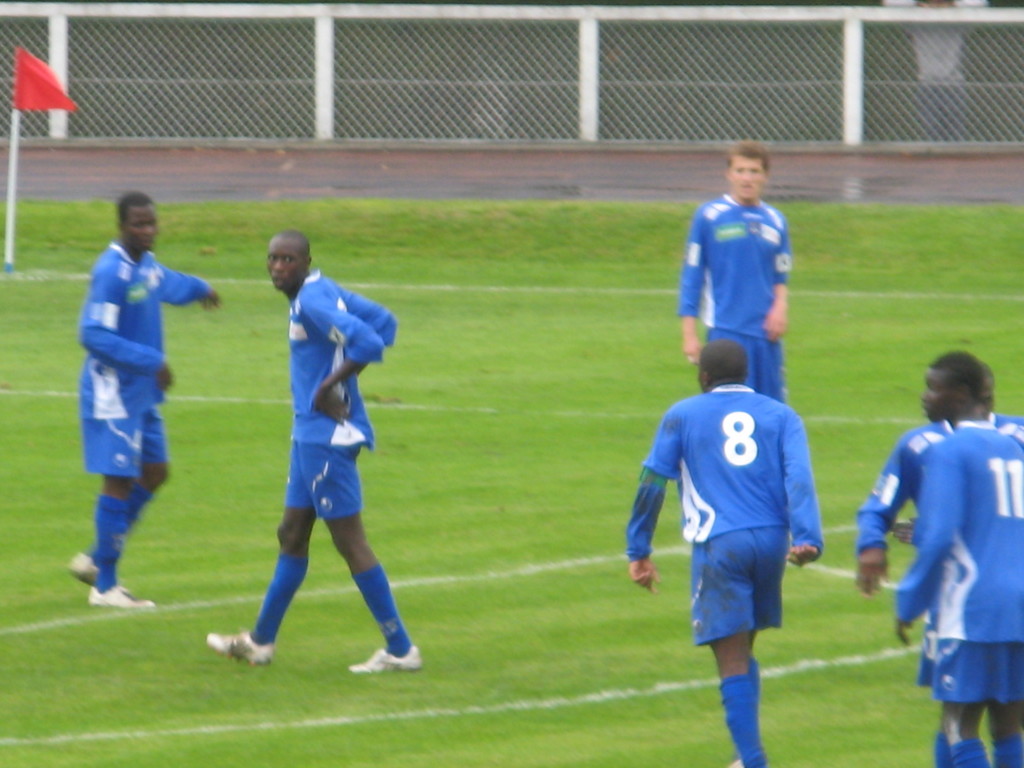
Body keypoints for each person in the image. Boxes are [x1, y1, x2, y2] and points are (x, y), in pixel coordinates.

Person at [206, 230, 420, 673]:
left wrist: (328, 386)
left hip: (326, 437)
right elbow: (386, 322)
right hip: (309, 434)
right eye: (272, 259)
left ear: (306, 261)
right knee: (292, 534)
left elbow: (373, 341)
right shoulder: (323, 289)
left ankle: (401, 649)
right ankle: (260, 642)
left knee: (350, 543)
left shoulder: (314, 301)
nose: (278, 268)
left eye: (287, 259)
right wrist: (339, 374)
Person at [625, 339, 823, 768]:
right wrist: (807, 537)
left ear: (703, 378)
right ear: (747, 374)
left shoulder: (683, 414)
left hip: (721, 542)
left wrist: (638, 548)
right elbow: (800, 477)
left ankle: (753, 760)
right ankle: (742, 757)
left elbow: (652, 482)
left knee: (730, 656)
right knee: (744, 646)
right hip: (771, 543)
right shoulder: (782, 415)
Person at [857, 358, 1024, 768]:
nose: (925, 396)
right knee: (1008, 722)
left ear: (961, 395)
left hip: (970, 603)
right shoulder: (1011, 446)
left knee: (957, 724)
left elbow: (938, 539)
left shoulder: (947, 450)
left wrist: (909, 603)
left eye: (933, 389)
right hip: (1018, 602)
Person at [71, 191, 220, 608]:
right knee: (118, 480)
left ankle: (96, 558)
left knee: (155, 471)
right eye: (139, 224)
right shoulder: (111, 272)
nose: (148, 230)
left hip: (141, 394)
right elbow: (93, 334)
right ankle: (106, 586)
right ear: (121, 227)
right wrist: (153, 360)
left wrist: (200, 288)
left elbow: (167, 283)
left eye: (152, 223)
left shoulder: (144, 265)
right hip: (113, 395)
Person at [678, 141, 792, 403]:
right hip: (725, 333)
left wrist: (780, 308)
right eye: (740, 171)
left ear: (765, 175)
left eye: (753, 171)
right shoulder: (709, 217)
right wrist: (689, 334)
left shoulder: (776, 220)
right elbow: (692, 277)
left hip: (766, 335)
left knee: (772, 412)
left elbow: (780, 274)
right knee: (728, 412)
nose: (747, 178)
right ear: (728, 174)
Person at [883, 0, 988, 142]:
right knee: (931, 135)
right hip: (927, 84)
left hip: (954, 85)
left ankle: (955, 161)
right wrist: (921, 6)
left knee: (956, 137)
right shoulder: (917, 20)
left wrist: (950, 6)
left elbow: (977, 4)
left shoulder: (957, 19)